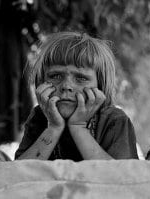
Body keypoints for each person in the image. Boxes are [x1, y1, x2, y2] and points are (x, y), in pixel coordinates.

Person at [15, 31, 138, 161]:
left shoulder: (114, 120)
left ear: (100, 86)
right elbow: (16, 174)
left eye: (81, 78)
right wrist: (54, 127)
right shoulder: (39, 117)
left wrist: (78, 126)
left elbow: (120, 177)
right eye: (55, 76)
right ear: (41, 82)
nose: (66, 86)